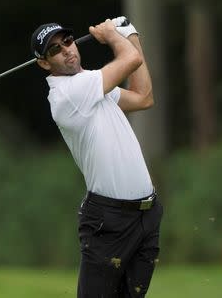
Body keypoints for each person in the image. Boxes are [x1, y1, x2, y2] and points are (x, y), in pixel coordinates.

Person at [31, 17, 163, 297]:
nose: (66, 49)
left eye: (67, 41)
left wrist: (131, 35)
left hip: (146, 215)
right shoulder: (68, 95)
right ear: (44, 63)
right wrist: (114, 36)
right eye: (54, 50)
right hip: (108, 220)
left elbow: (143, 97)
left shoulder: (91, 85)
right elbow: (130, 60)